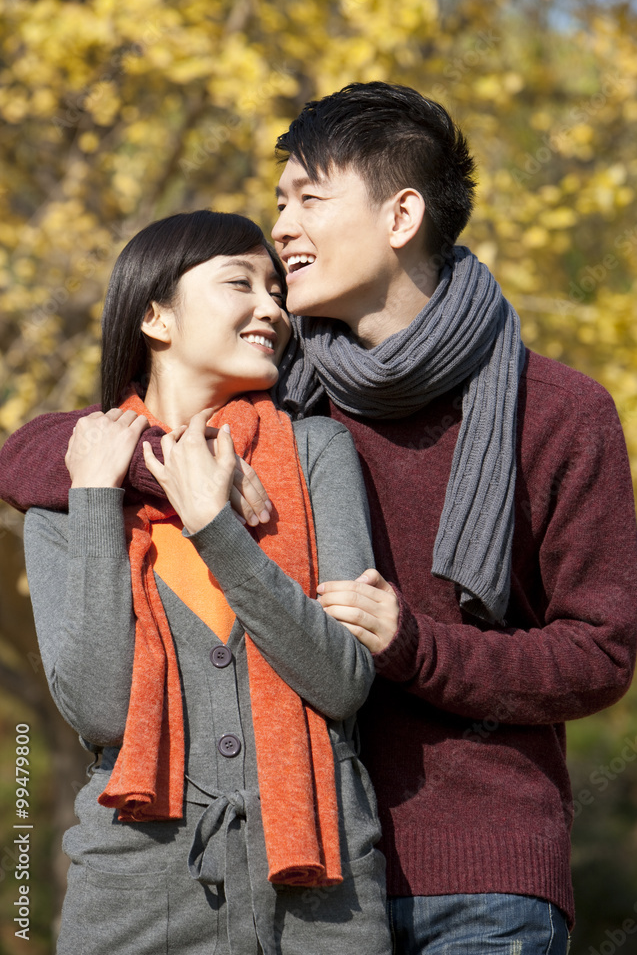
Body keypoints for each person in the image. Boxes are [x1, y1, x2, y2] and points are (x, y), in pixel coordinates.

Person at [0, 82, 637, 954]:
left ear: (401, 214)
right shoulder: (289, 397)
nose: (285, 229)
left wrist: (414, 645)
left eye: (309, 199)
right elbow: (39, 450)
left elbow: (598, 653)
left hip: (476, 873)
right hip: (297, 876)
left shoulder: (557, 409)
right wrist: (169, 473)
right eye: (278, 204)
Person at [15, 210, 392, 954]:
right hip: (135, 895)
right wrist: (95, 498)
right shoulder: (69, 489)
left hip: (322, 896)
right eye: (239, 283)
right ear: (154, 315)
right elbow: (99, 710)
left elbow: (342, 680)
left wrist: (216, 527)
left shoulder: (316, 454)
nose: (273, 308)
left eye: (275, 289)